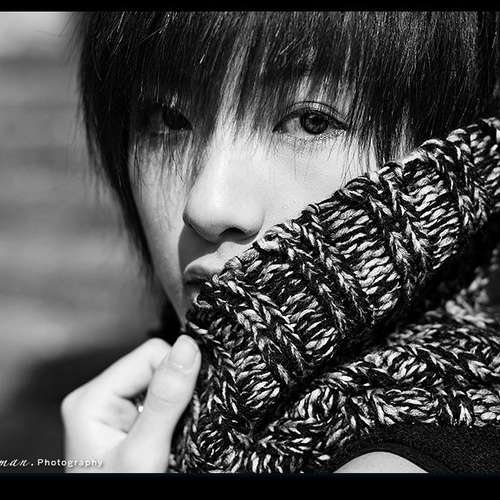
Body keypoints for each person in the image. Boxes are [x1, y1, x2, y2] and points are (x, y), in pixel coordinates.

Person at [62, 11, 500, 472]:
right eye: (169, 120)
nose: (209, 207)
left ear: (455, 167)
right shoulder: (170, 421)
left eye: (311, 122)